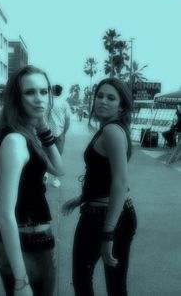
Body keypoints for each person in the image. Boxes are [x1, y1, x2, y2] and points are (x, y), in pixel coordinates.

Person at [0, 65, 64, 296]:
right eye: (30, 92)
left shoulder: (24, 133)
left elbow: (58, 170)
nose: (39, 99)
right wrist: (21, 281)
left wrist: (44, 131)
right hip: (28, 240)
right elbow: (5, 213)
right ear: (16, 97)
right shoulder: (15, 140)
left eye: (44, 91)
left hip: (23, 238)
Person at [62, 78, 137, 296]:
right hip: (115, 213)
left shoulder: (112, 131)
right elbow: (104, 175)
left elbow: (120, 181)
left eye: (111, 98)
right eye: (100, 96)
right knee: (116, 286)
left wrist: (107, 233)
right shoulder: (112, 129)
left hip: (102, 219)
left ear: (121, 105)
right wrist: (80, 198)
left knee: (82, 280)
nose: (103, 101)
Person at [48, 84, 71, 187]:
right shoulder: (64, 103)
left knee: (46, 154)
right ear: (60, 92)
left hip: (46, 133)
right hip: (59, 133)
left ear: (51, 91)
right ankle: (55, 180)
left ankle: (45, 175)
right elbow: (67, 120)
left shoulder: (47, 102)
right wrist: (64, 133)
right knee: (57, 156)